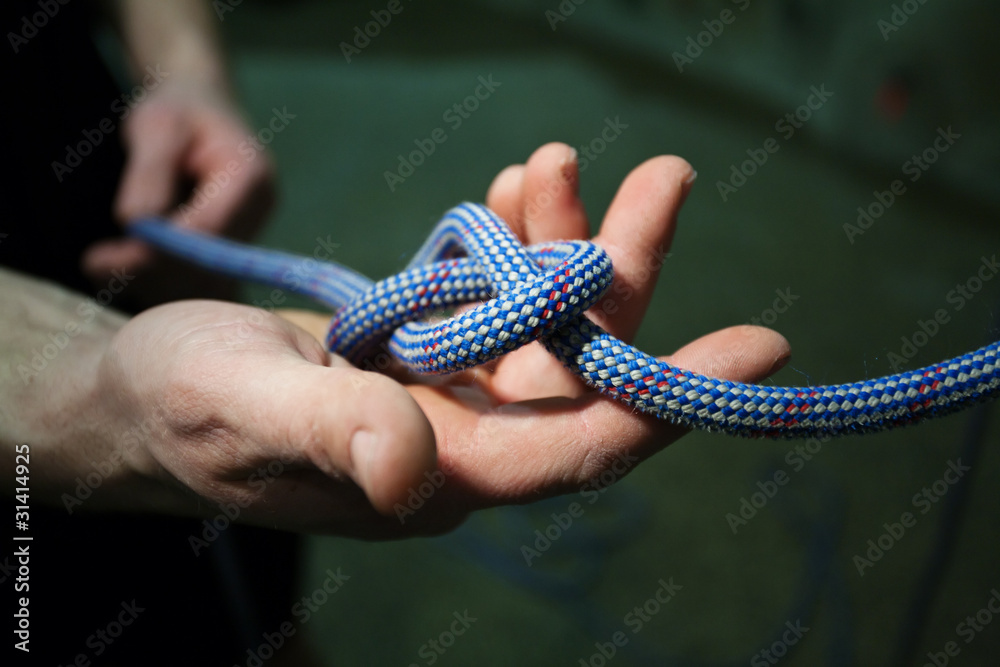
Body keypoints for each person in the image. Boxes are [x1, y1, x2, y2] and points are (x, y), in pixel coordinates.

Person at [1, 1, 791, 664]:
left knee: (253, 529)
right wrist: (79, 381)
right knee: (96, 595)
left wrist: (184, 72)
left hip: (76, 116)